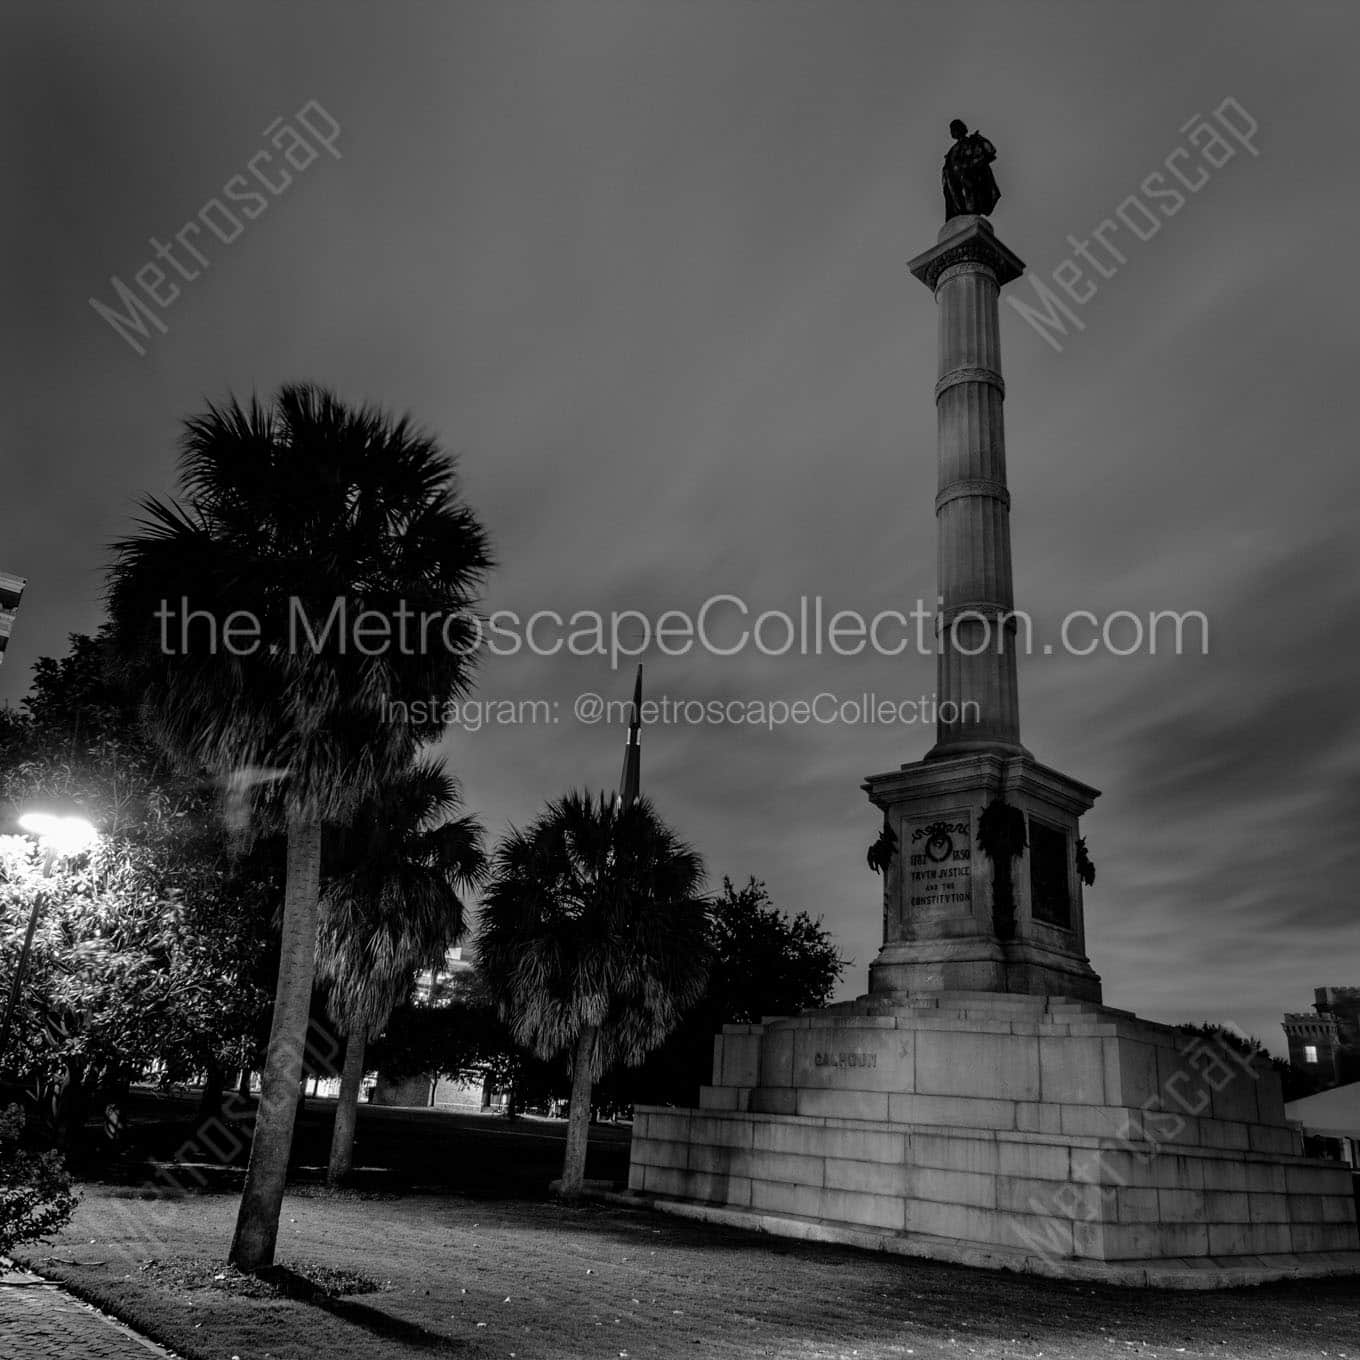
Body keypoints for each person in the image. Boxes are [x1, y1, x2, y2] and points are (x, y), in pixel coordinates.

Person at [942, 119, 1001, 218]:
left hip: (973, 177)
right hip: (956, 183)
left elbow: (990, 151)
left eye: (956, 128)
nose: (954, 131)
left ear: (962, 128)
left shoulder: (973, 140)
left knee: (970, 187)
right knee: (955, 194)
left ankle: (972, 211)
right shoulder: (952, 151)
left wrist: (972, 164)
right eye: (952, 129)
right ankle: (961, 213)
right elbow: (948, 168)